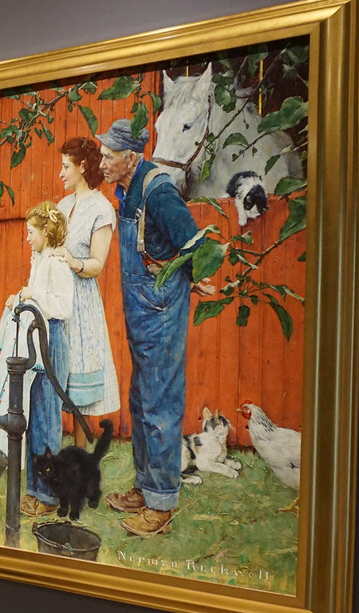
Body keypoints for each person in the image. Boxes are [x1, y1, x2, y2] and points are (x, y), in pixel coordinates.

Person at [96, 119, 215, 536]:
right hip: (142, 311)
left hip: (160, 311)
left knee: (159, 404)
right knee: (142, 400)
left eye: (109, 156)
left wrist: (193, 276)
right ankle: (145, 488)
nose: (102, 163)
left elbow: (195, 243)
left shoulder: (158, 191)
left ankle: (162, 504)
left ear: (131, 158)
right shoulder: (127, 190)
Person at [0, 202, 74, 517]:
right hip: (36, 340)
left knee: (48, 418)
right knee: (35, 416)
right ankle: (35, 489)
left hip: (52, 342)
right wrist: (19, 298)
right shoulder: (39, 259)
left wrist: (33, 296)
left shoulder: (57, 263)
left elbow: (63, 307)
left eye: (31, 232)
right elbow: (34, 296)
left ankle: (49, 496)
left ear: (47, 233)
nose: (27, 238)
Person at [53, 137, 122, 448]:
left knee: (80, 387)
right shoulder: (62, 206)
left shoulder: (101, 209)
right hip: (57, 299)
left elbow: (96, 265)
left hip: (81, 305)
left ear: (82, 167)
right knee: (54, 377)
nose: (61, 173)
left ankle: (80, 457)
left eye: (66, 166)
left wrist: (72, 262)